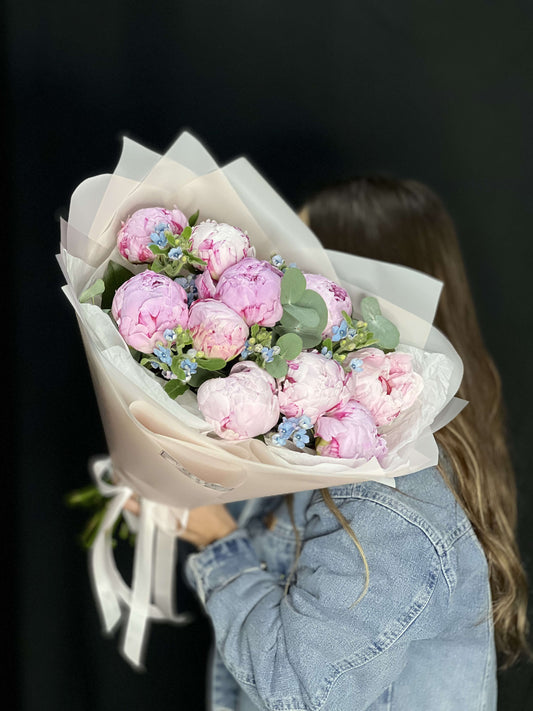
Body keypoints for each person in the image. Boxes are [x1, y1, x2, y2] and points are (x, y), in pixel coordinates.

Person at [168, 177, 529, 710]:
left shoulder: (390, 497)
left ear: (361, 294)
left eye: (304, 267)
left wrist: (217, 543)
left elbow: (298, 689)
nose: (283, 286)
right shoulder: (345, 444)